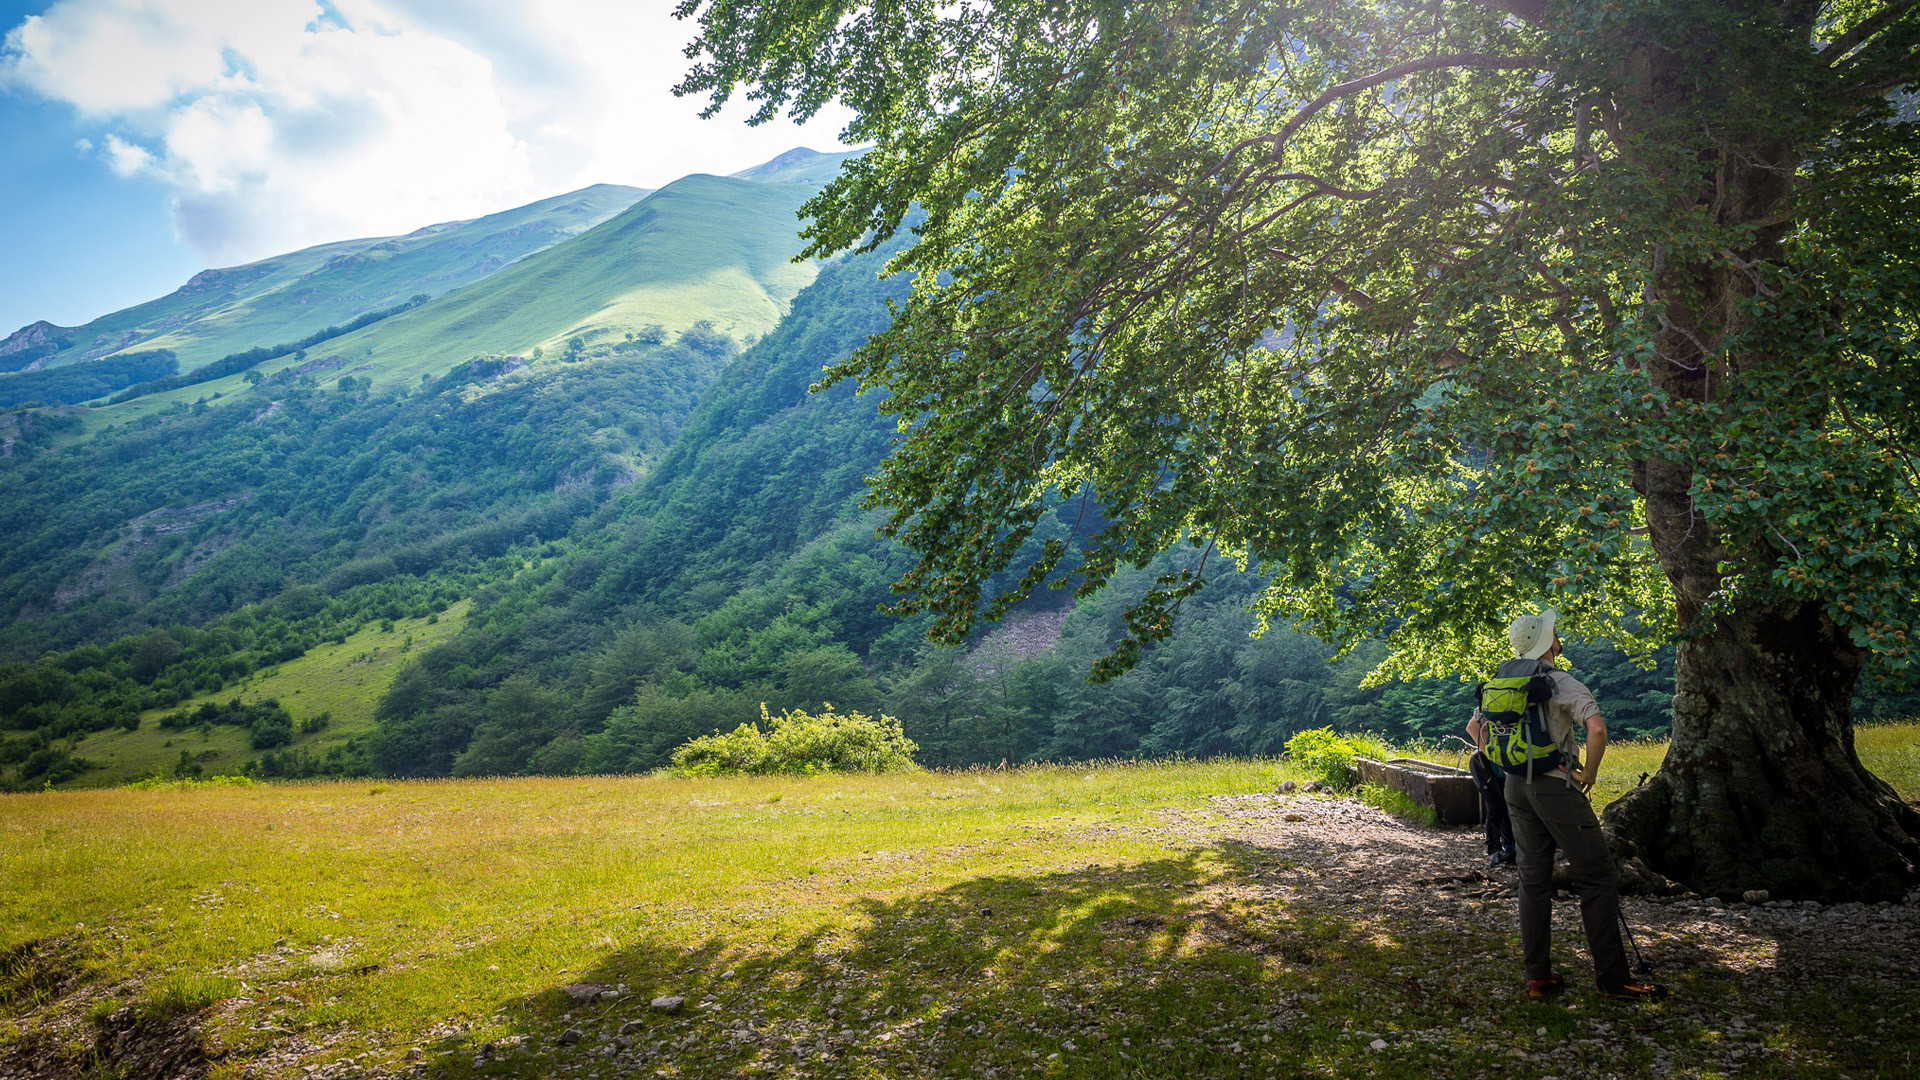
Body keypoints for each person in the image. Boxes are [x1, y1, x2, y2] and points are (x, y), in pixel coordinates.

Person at [1466, 610, 1666, 1002]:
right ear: (1546, 642)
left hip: (1515, 791)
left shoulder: (1502, 681)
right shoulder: (1560, 681)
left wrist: (1503, 762)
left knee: (1533, 880)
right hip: (1555, 789)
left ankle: (1538, 977)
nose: (1558, 635)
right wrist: (1588, 774)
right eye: (1553, 631)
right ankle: (1613, 979)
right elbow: (1596, 728)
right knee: (1598, 877)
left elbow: (1476, 730)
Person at [1467, 746, 1516, 869]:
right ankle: (1494, 851)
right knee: (1495, 807)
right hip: (1481, 764)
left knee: (1509, 807)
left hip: (1504, 773)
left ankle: (1510, 849)